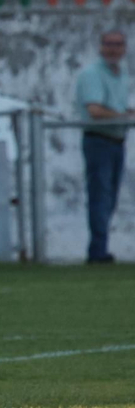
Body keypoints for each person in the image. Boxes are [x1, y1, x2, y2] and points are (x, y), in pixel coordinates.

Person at [76, 29, 128, 264]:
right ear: (100, 46)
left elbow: (119, 108)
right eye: (108, 44)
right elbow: (95, 110)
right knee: (100, 196)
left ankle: (100, 249)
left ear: (124, 48)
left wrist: (126, 114)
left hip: (117, 141)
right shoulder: (92, 74)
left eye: (118, 44)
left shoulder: (122, 74)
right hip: (99, 140)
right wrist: (124, 116)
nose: (113, 49)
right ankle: (97, 252)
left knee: (110, 197)